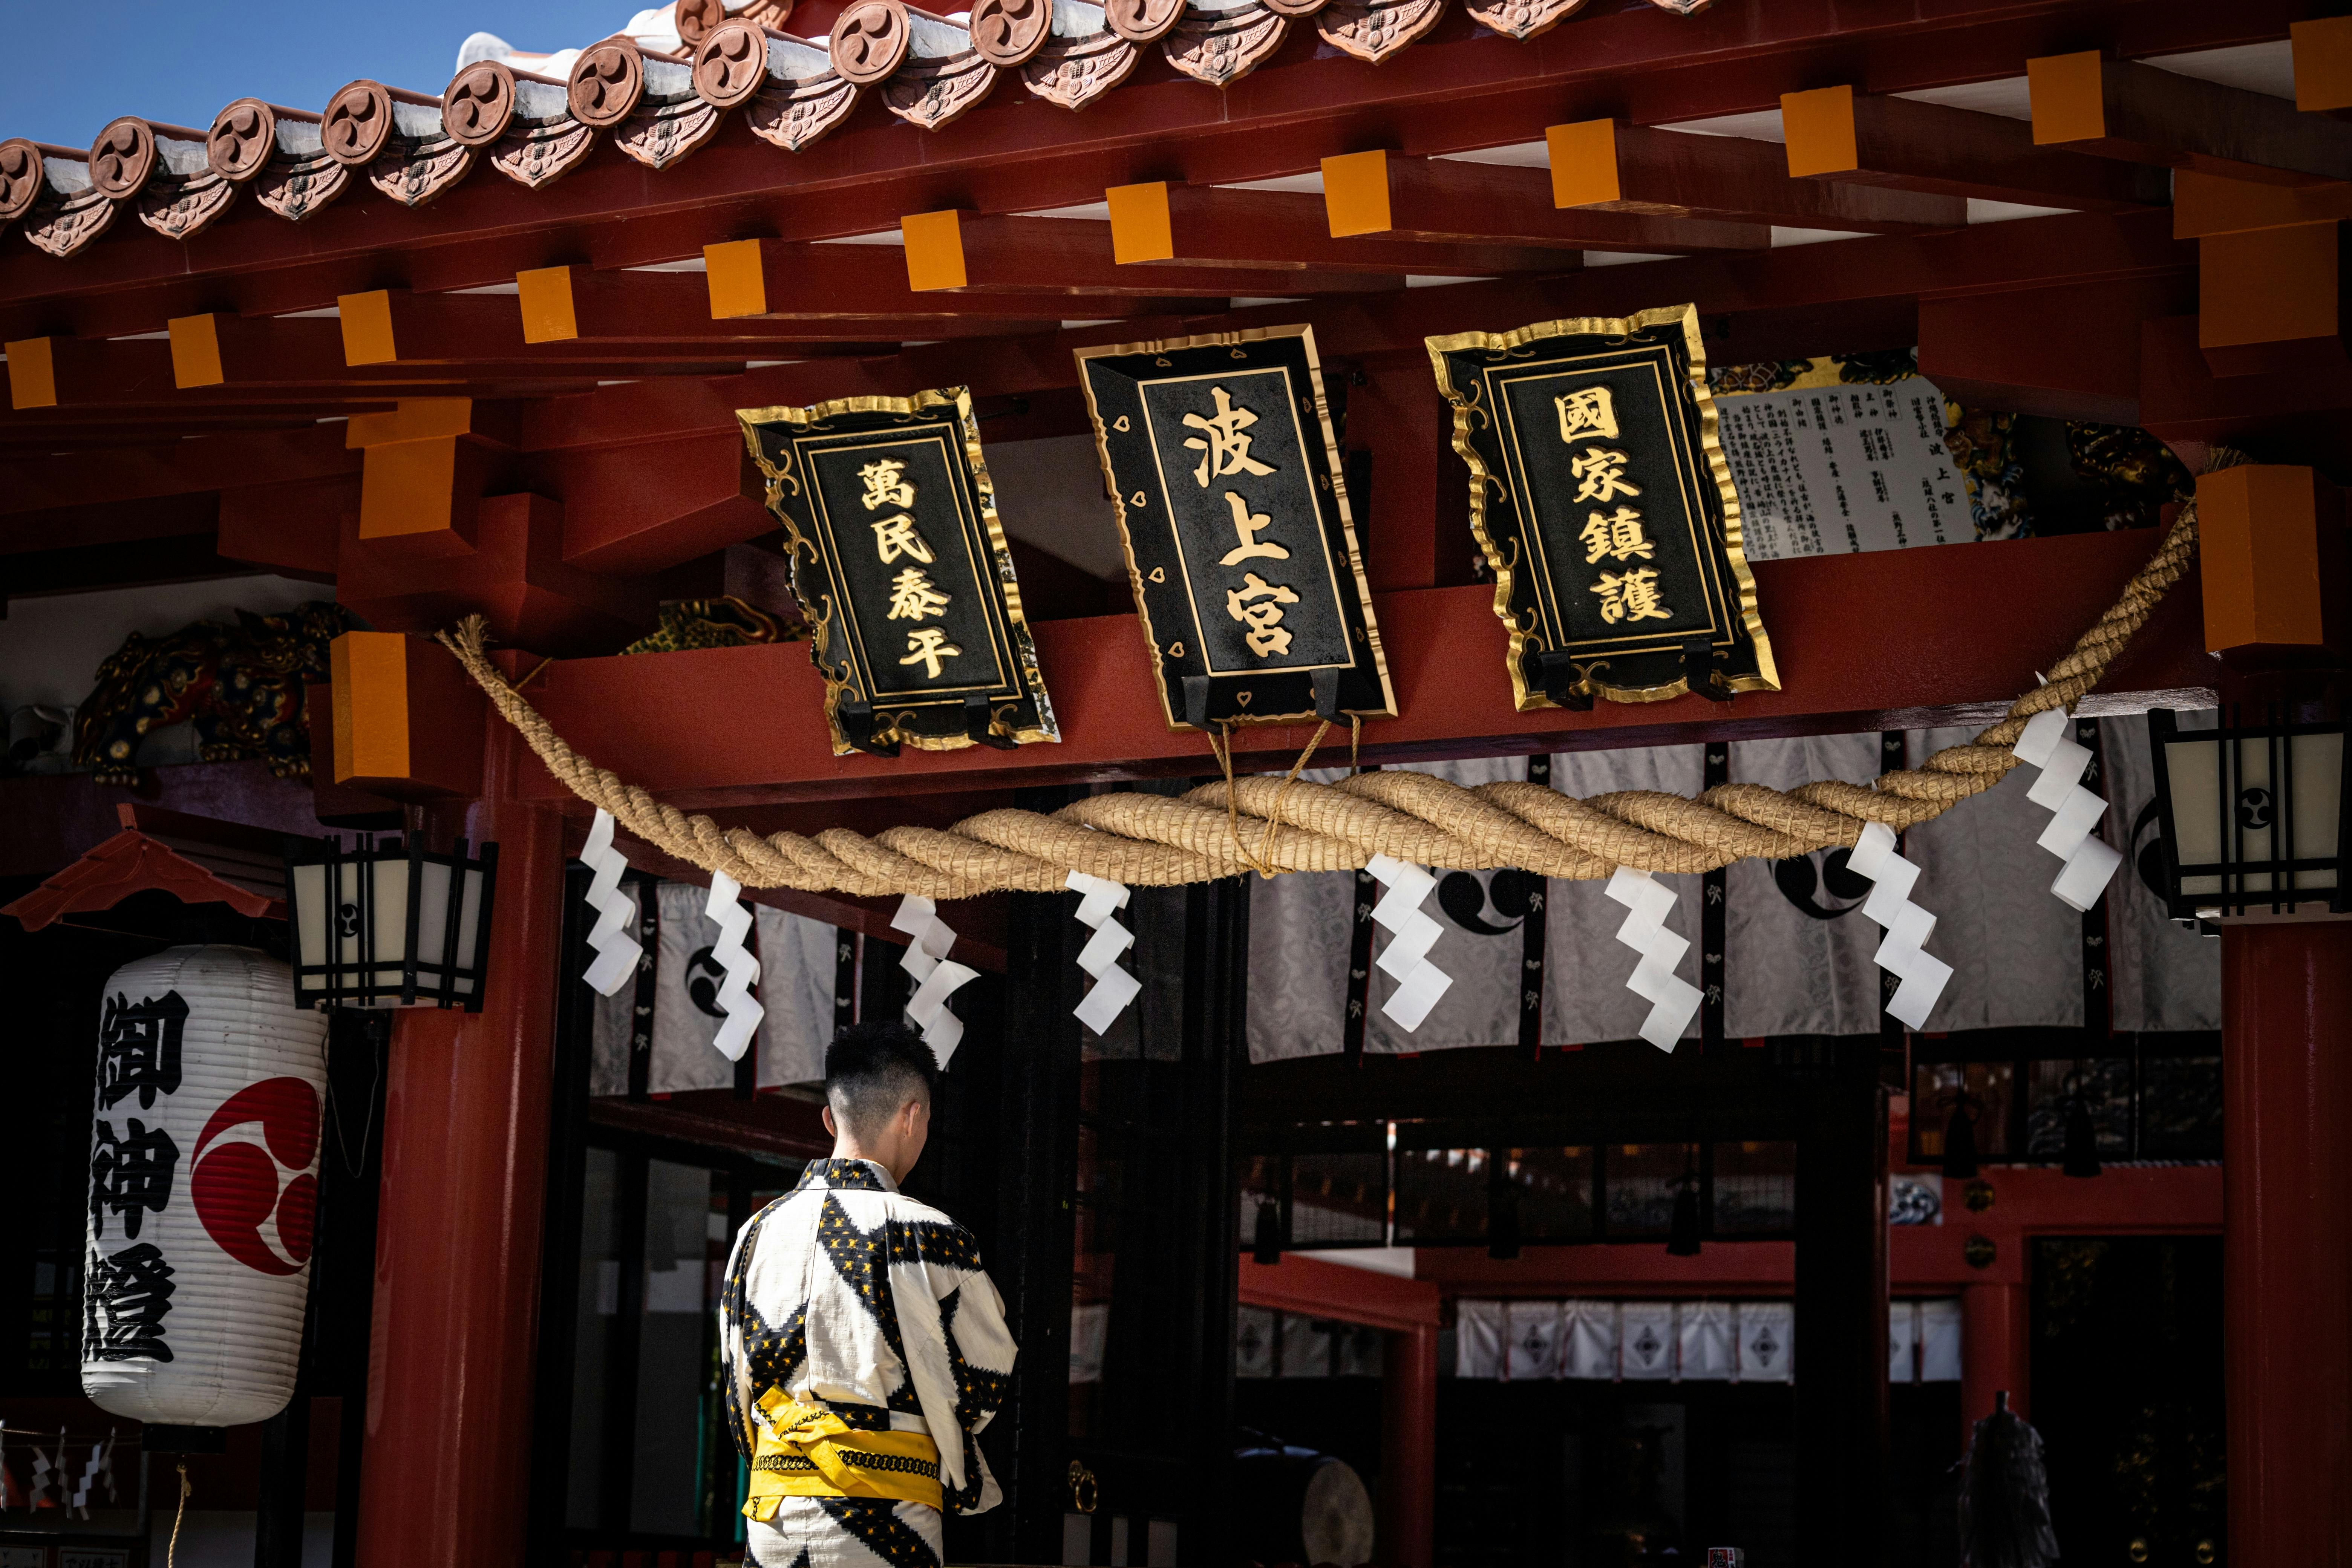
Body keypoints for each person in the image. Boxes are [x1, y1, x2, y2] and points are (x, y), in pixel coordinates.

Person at [719, 1021, 1016, 1568]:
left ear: (830, 1118)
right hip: (887, 1518)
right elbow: (982, 1383)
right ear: (912, 1116)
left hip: (775, 1519)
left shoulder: (755, 1234)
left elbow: (736, 1387)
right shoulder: (930, 1235)